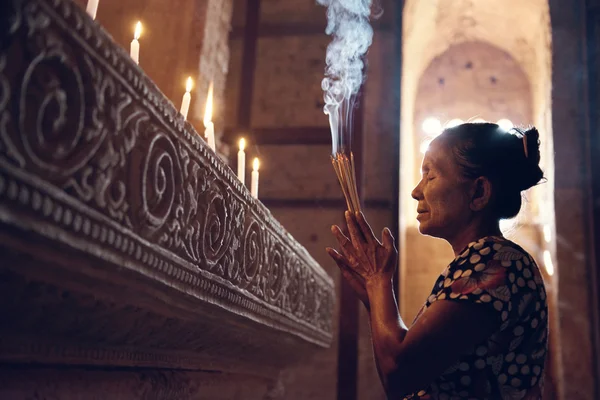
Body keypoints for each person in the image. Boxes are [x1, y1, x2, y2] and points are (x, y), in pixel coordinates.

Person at [326, 123, 549, 399]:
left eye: (430, 176)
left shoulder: (496, 263)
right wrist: (375, 299)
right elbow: (403, 366)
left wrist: (378, 281)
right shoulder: (482, 260)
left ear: (478, 192)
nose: (416, 191)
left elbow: (399, 373)